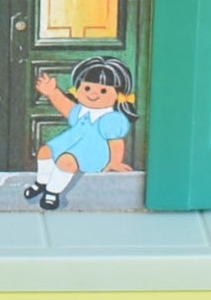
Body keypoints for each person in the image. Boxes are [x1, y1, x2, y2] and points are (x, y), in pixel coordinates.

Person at [23, 55, 137, 211]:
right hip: (70, 144)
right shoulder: (80, 111)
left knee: (66, 161)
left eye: (103, 91)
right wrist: (52, 92)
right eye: (87, 88)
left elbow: (115, 142)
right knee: (45, 151)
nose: (93, 94)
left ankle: (52, 192)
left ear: (118, 95)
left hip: (93, 152)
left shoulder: (111, 118)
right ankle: (41, 183)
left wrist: (115, 162)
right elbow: (65, 106)